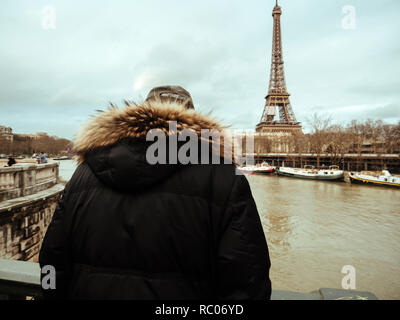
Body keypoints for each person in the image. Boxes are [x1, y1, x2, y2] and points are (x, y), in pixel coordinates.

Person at [39, 85, 271, 300]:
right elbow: (248, 277)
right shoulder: (223, 177)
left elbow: (51, 259)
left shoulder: (83, 173)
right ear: (193, 119)